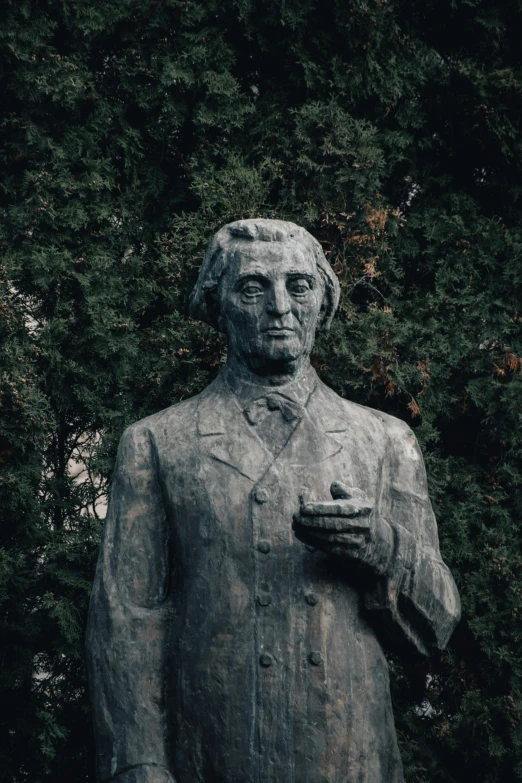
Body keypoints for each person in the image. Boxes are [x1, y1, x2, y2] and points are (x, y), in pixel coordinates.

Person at [86, 218, 461, 783]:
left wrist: (384, 548)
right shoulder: (158, 442)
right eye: (254, 288)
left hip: (350, 752)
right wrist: (139, 763)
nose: (280, 307)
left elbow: (441, 621)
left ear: (323, 303)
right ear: (219, 304)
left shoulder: (384, 440)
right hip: (214, 752)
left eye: (299, 286)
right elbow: (127, 622)